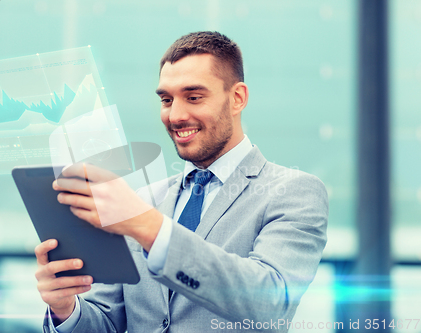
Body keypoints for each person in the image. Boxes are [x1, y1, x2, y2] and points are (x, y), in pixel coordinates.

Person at [35, 31, 328, 333]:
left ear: (237, 98)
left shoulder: (293, 192)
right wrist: (64, 309)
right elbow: (107, 322)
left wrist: (148, 227)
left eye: (194, 97)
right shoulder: (144, 199)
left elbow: (269, 304)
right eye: (166, 99)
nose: (175, 116)